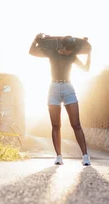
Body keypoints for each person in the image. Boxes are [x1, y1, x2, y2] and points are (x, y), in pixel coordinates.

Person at [29, 34, 92, 166]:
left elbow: (86, 69)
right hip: (54, 89)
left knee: (76, 124)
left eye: (72, 49)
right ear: (62, 46)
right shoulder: (52, 53)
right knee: (56, 126)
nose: (70, 51)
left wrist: (89, 54)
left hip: (69, 88)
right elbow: (32, 51)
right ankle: (59, 156)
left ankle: (85, 157)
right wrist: (35, 39)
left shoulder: (72, 56)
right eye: (68, 48)